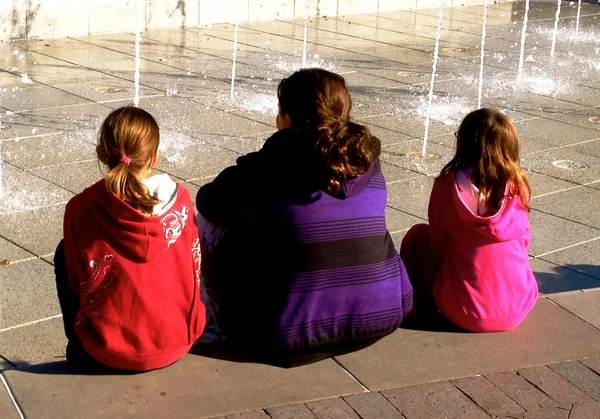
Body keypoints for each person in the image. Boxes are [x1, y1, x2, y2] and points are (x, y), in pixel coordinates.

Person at [195, 68, 413, 367]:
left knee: (206, 223)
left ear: (285, 117)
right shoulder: (367, 161)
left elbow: (208, 200)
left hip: (280, 336)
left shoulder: (266, 167)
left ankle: (217, 319)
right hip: (382, 315)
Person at [54, 106, 205, 371]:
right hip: (179, 342)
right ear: (154, 157)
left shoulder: (81, 207)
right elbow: (194, 268)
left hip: (106, 352)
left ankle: (77, 345)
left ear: (102, 153)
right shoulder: (180, 202)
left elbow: (75, 284)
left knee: (64, 250)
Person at [400, 108, 538, 332]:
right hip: (518, 306)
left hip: (463, 311)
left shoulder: (447, 186)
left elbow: (437, 247)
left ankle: (418, 308)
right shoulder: (517, 186)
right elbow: (524, 242)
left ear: (463, 141)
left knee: (417, 236)